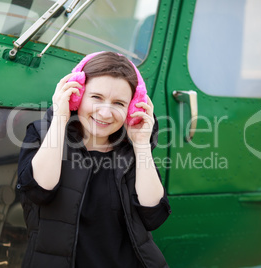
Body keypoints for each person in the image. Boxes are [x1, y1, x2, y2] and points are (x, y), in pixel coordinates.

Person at [17, 51, 171, 268]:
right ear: (76, 96)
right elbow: (39, 191)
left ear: (131, 109)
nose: (105, 113)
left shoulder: (130, 150)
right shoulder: (42, 135)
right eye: (96, 97)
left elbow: (153, 216)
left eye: (119, 103)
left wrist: (142, 145)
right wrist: (59, 119)